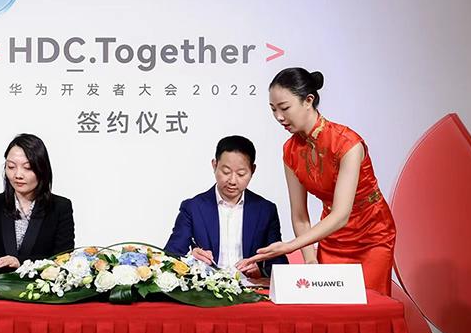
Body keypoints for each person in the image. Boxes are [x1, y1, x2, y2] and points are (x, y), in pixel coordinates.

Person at [239, 67, 397, 294]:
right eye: (273, 109)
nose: (279, 117)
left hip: (371, 234)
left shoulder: (347, 143)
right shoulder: (290, 150)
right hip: (331, 237)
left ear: (308, 100)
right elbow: (300, 215)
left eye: (284, 108)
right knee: (331, 306)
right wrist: (310, 259)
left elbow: (341, 215)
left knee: (368, 305)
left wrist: (289, 247)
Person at [164, 135, 288, 277]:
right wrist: (191, 259)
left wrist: (260, 273)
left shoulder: (265, 210)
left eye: (241, 174)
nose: (232, 181)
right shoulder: (193, 208)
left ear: (252, 170)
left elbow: (279, 265)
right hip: (206, 288)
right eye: (226, 172)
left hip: (250, 287)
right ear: (214, 165)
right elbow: (169, 258)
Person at [0, 134, 74, 275]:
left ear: (42, 169)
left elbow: (63, 259)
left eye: (28, 167)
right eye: (11, 167)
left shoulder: (60, 207)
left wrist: (21, 262)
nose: (18, 175)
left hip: (41, 287)